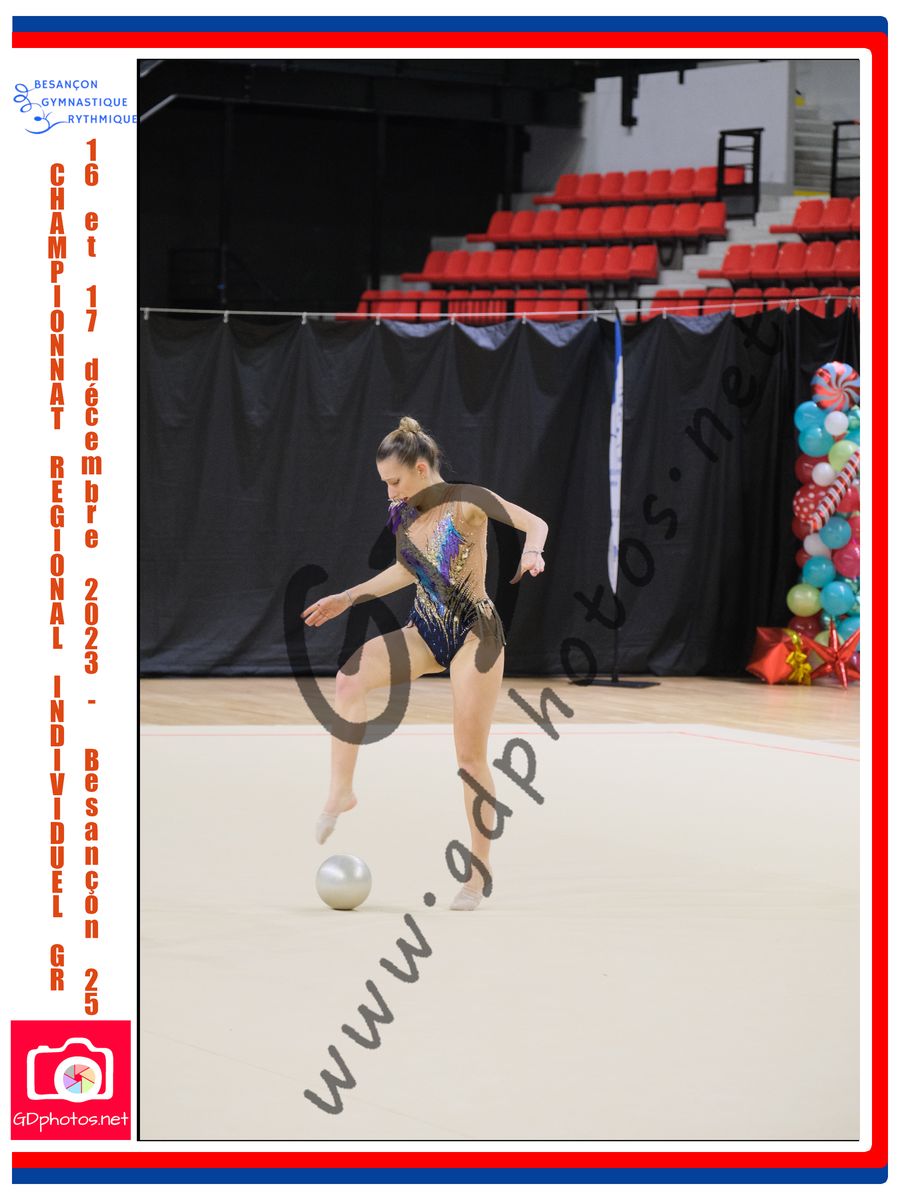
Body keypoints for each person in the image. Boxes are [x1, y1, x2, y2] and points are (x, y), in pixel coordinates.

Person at [301, 416, 548, 910]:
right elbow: (406, 570)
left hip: (476, 634)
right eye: (384, 484)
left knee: (469, 758)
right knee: (349, 678)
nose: (389, 493)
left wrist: (533, 551)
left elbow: (534, 523)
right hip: (426, 628)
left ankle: (478, 874)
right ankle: (341, 791)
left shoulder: (467, 501)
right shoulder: (405, 514)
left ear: (420, 468)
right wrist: (347, 597)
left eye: (394, 481)